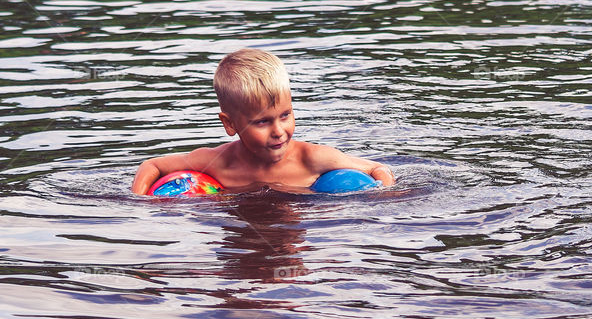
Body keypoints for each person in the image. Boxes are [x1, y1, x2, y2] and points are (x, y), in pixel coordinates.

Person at [131, 48, 395, 194]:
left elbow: (377, 169)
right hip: (239, 246)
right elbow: (152, 165)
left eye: (285, 115)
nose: (279, 131)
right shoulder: (217, 163)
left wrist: (384, 197)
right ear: (230, 124)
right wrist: (141, 205)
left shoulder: (312, 159)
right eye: (262, 122)